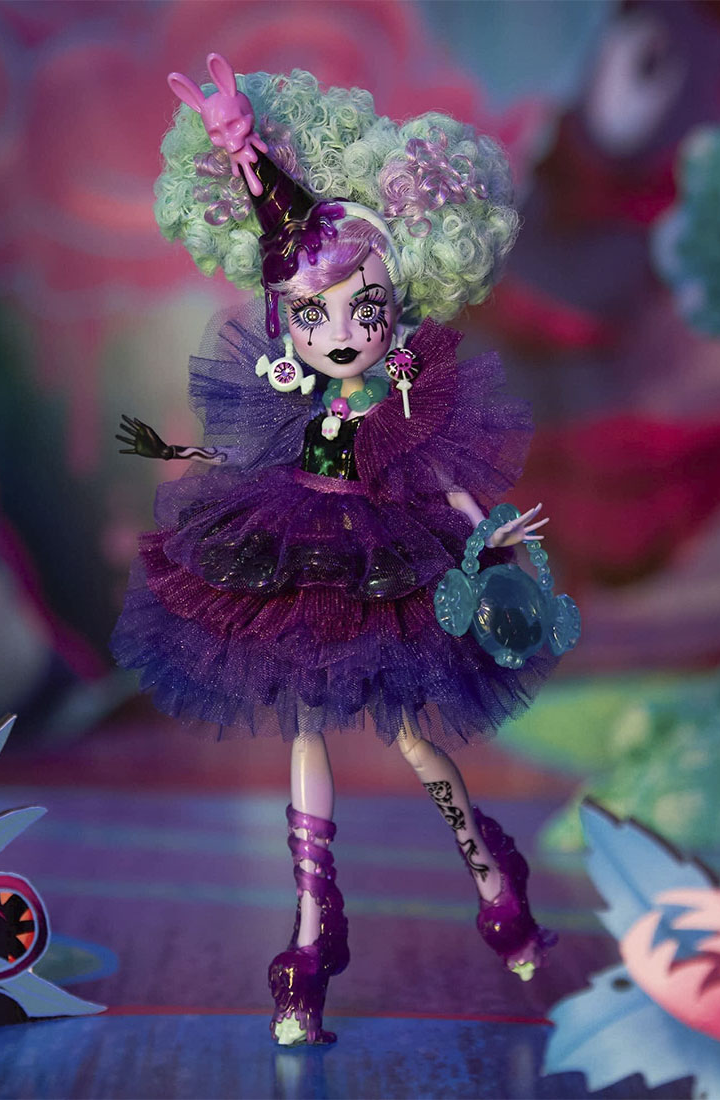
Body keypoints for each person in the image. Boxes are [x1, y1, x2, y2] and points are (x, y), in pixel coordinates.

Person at [113, 53, 569, 1046]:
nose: (338, 333)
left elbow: (443, 477)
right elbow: (257, 452)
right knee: (304, 729)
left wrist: (485, 531)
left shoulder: (407, 399)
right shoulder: (294, 394)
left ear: (396, 303)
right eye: (310, 315)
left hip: (387, 557)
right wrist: (182, 457)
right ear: (285, 321)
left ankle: (491, 873)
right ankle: (313, 929)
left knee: (411, 735)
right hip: (295, 542)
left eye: (362, 308)